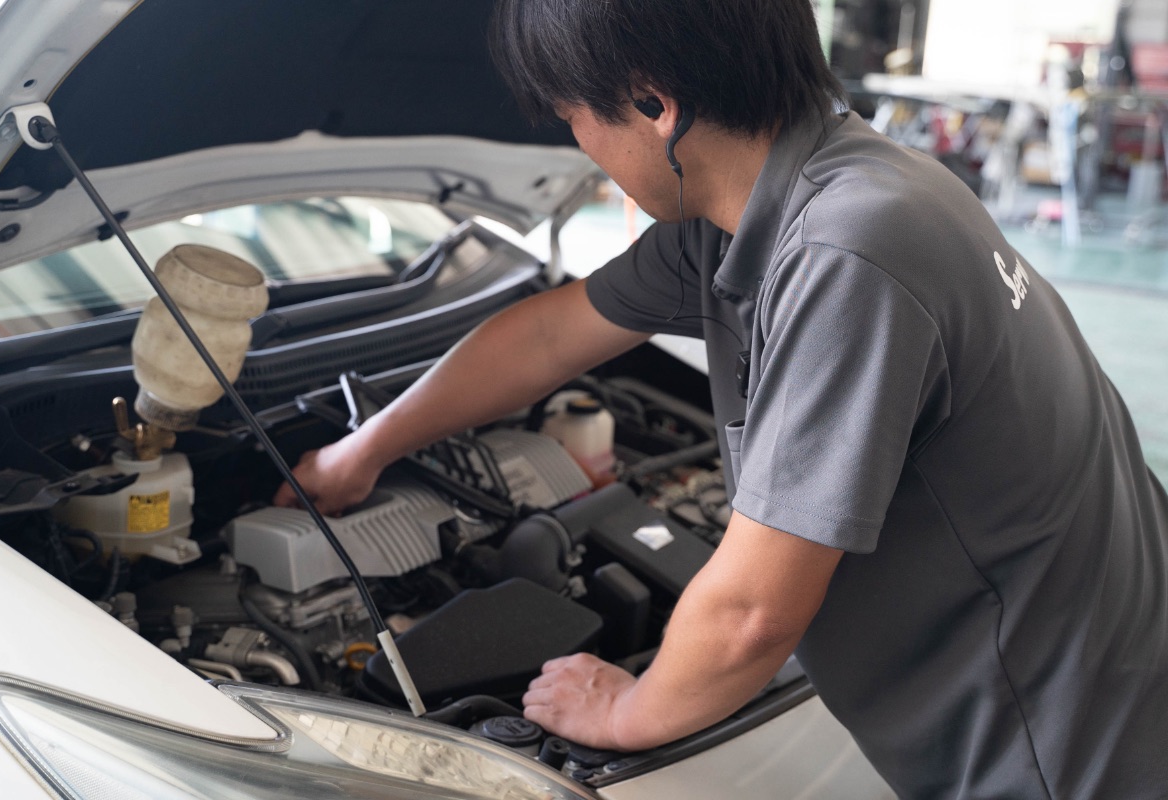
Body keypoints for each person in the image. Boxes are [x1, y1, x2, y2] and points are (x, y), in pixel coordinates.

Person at [276, 0, 1168, 796]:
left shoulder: (846, 250)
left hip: (1063, 744)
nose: (577, 146)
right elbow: (547, 335)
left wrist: (628, 714)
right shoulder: (795, 193)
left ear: (655, 104)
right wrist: (367, 448)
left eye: (574, 118)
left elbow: (749, 614)